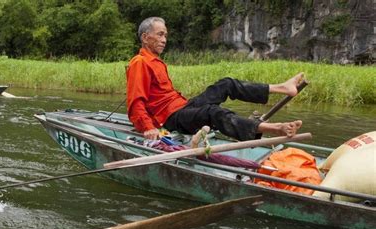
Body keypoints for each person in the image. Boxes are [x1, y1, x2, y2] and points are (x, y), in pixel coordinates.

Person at [127, 17, 304, 141]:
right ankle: (274, 128)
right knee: (212, 112)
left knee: (226, 84)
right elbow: (135, 103)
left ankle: (283, 87)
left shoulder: (156, 61)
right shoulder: (140, 62)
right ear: (145, 37)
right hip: (169, 119)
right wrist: (148, 128)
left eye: (165, 35)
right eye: (159, 34)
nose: (164, 40)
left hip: (182, 107)